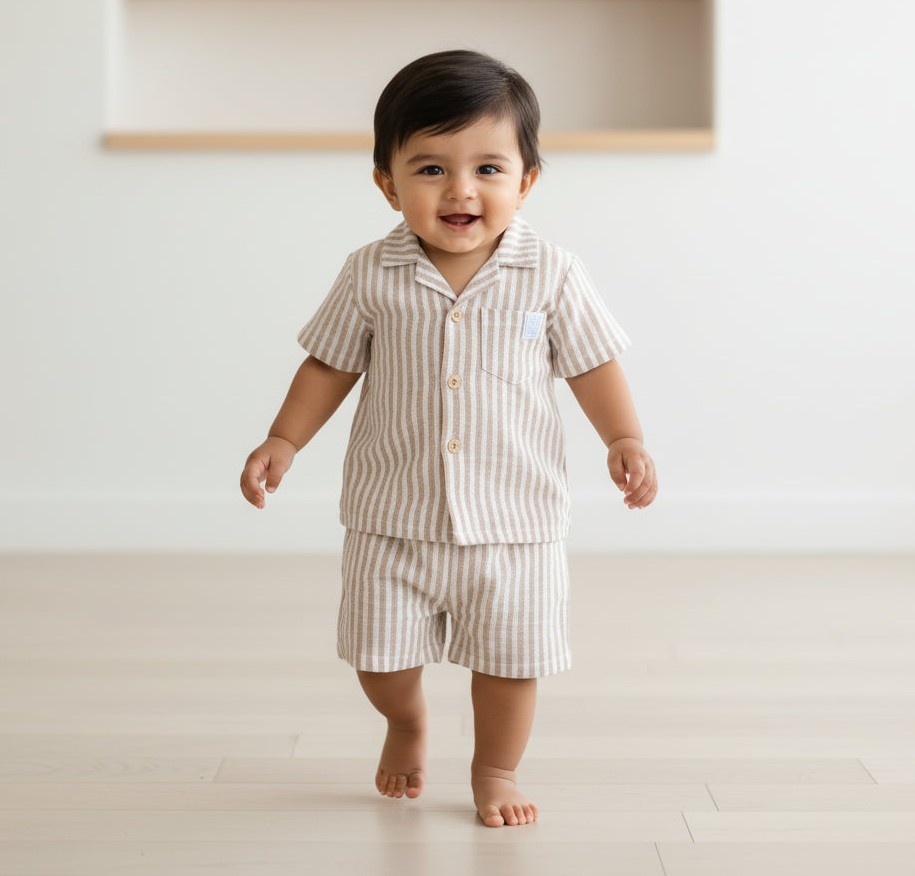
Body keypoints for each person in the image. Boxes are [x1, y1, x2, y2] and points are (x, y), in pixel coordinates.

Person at [240, 49, 657, 827]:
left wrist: (623, 438)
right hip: (392, 515)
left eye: (488, 168)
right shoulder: (371, 273)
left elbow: (592, 364)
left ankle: (495, 769)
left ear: (526, 181)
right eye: (430, 168)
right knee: (378, 656)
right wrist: (283, 440)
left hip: (516, 522)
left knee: (512, 661)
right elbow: (328, 365)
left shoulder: (553, 274)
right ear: (387, 182)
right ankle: (406, 720)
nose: (461, 189)